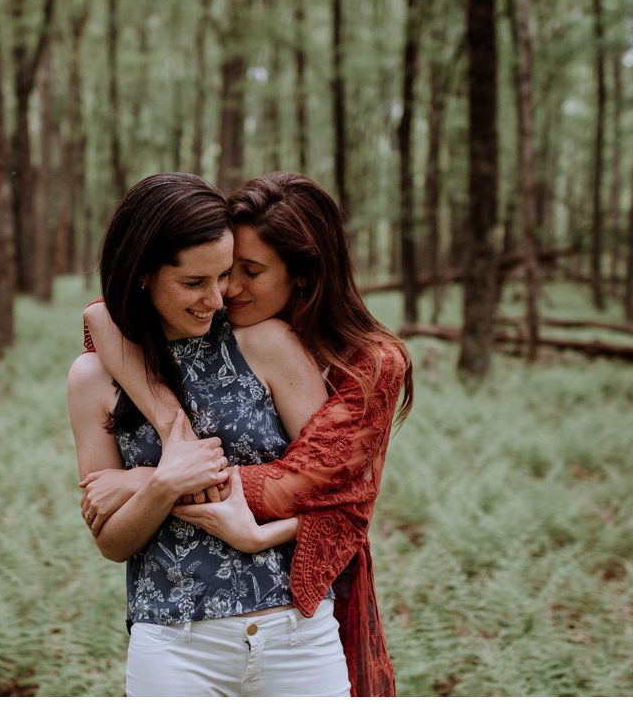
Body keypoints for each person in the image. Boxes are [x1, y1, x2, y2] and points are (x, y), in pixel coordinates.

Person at [81, 171, 414, 696]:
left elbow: (334, 494)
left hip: (301, 618)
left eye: (240, 273)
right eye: (204, 279)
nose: (223, 294)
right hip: (175, 638)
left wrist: (144, 480)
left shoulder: (311, 352)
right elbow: (110, 541)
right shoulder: (112, 366)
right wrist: (162, 481)